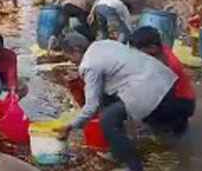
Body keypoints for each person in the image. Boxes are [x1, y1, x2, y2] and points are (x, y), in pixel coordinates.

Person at [62, 36, 193, 171]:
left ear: (76, 50)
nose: (70, 61)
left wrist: (71, 126)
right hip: (165, 80)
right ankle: (121, 144)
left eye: (69, 56)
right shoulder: (102, 44)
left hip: (148, 91)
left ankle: (133, 166)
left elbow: (91, 106)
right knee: (112, 105)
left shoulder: (88, 65)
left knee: (107, 120)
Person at [131, 26, 196, 110]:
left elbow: (161, 92)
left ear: (152, 48)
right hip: (178, 97)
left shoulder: (169, 67)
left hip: (181, 102)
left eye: (139, 50)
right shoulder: (161, 50)